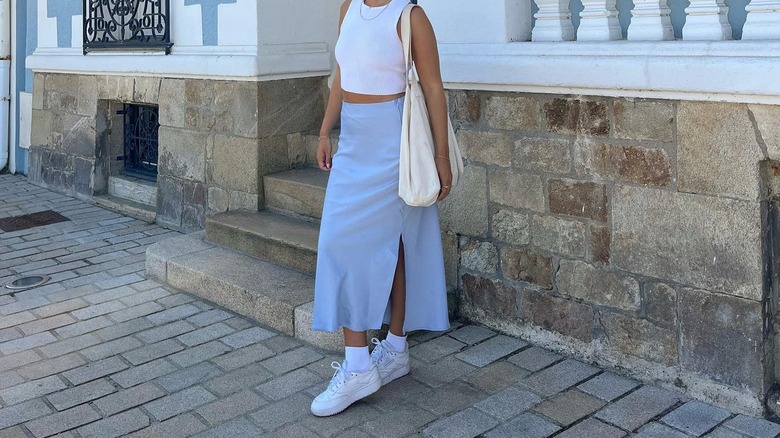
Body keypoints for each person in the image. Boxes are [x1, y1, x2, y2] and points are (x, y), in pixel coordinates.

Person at [310, 0, 452, 417]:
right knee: (351, 242)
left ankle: (361, 365)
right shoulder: (348, 9)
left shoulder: (410, 17)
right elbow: (342, 76)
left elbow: (433, 88)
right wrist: (324, 129)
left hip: (394, 143)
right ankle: (393, 348)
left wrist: (441, 159)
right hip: (354, 139)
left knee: (379, 242)